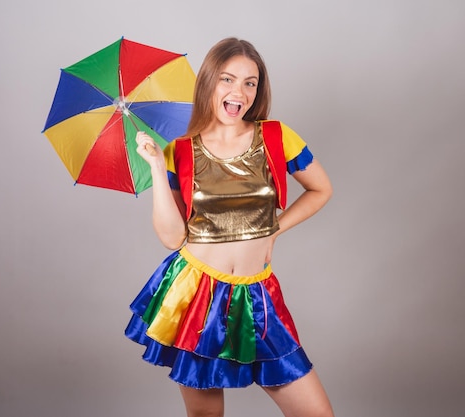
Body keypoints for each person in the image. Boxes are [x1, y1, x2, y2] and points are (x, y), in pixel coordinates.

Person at [125, 37, 334, 417]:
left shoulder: (276, 136)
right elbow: (172, 237)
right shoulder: (180, 151)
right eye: (228, 79)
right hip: (196, 295)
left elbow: (321, 189)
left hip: (258, 295)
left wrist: (275, 228)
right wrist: (157, 167)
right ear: (208, 82)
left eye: (250, 83)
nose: (239, 92)